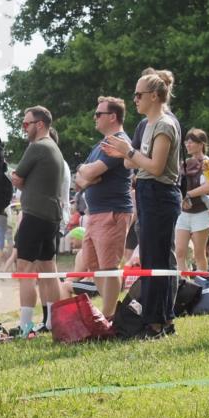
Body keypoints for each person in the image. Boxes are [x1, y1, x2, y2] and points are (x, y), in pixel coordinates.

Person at [101, 69, 181, 337]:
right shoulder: (145, 125)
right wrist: (126, 153)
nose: (134, 99)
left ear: (155, 96)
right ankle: (160, 320)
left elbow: (156, 167)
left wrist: (129, 152)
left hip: (159, 193)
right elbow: (128, 163)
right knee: (152, 260)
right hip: (147, 192)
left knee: (158, 262)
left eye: (139, 94)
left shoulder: (165, 125)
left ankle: (157, 323)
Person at [77, 97, 134, 320]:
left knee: (109, 266)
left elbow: (88, 175)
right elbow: (81, 179)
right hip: (96, 213)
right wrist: (85, 171)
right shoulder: (101, 144)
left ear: (112, 117)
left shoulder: (117, 142)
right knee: (95, 266)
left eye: (98, 114)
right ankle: (108, 313)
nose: (94, 117)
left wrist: (87, 172)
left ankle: (110, 317)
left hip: (113, 212)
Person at [10, 106, 64, 336]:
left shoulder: (37, 147)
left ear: (39, 124)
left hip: (34, 215)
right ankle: (52, 321)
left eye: (26, 124)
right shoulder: (54, 148)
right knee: (48, 268)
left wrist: (11, 175)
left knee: (25, 270)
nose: (24, 129)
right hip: (51, 216)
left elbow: (17, 178)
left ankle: (25, 326)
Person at [175, 129, 209, 273]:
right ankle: (183, 286)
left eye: (191, 141)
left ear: (201, 144)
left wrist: (189, 194)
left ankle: (203, 286)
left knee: (199, 254)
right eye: (187, 141)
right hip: (183, 213)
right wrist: (182, 197)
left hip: (201, 212)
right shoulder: (183, 163)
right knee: (179, 252)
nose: (187, 144)